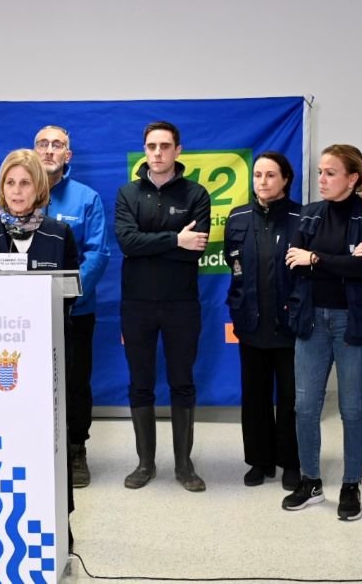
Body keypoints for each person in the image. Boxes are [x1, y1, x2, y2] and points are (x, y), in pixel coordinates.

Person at [0, 148, 79, 545]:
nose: (17, 191)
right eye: (10, 183)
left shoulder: (59, 235)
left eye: (25, 183)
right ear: (1, 188)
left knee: (48, 438)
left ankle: (58, 521)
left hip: (47, 355)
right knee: (7, 437)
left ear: (39, 189)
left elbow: (69, 293)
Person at [282, 144, 362, 521]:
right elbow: (293, 262)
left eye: (330, 173)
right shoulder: (310, 214)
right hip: (311, 319)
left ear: (352, 178)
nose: (322, 179)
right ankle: (310, 481)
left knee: (351, 408)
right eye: (320, 172)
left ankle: (350, 484)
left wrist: (315, 258)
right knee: (305, 406)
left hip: (353, 322)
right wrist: (339, 261)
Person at [114, 121, 210, 492]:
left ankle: (184, 465)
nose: (157, 153)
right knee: (140, 383)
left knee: (182, 382)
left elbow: (194, 249)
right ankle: (145, 464)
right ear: (145, 150)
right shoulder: (128, 194)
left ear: (177, 150)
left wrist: (152, 243)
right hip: (136, 303)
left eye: (165, 146)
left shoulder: (196, 194)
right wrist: (174, 239)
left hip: (181, 303)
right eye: (151, 146)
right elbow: (127, 243)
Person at [34, 125, 110, 488]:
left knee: (76, 382)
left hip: (75, 311)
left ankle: (76, 449)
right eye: (43, 144)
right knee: (32, 380)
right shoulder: (19, 193)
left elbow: (97, 253)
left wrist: (69, 294)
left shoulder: (86, 198)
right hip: (28, 314)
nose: (49, 150)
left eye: (57, 145)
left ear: (68, 155)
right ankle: (36, 446)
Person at [224, 152, 301, 491]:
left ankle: (291, 462)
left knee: (290, 399)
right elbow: (233, 264)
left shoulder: (302, 217)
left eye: (270, 175)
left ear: (285, 179)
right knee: (254, 396)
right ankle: (260, 460)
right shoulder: (238, 216)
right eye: (257, 175)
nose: (263, 181)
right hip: (250, 322)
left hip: (290, 325)